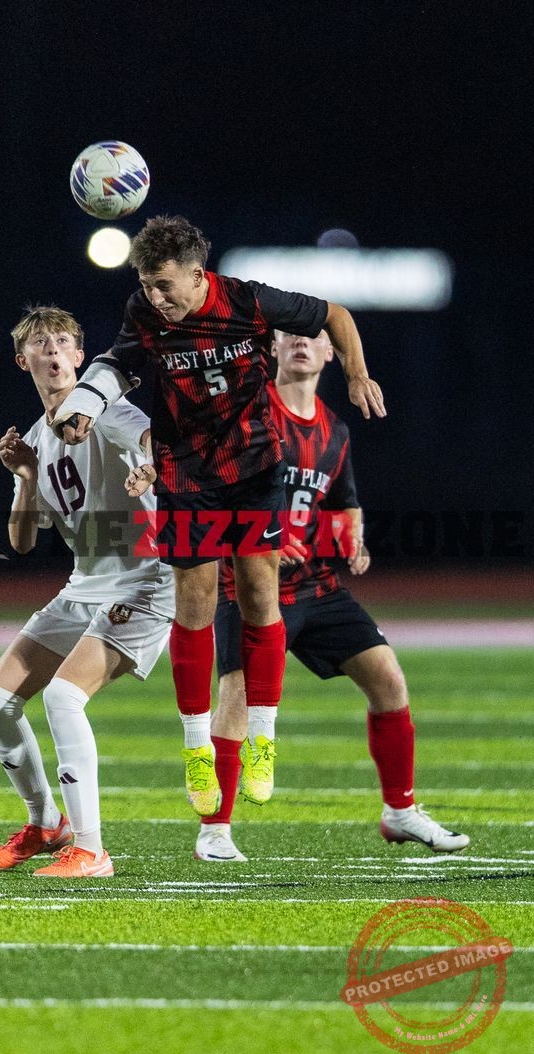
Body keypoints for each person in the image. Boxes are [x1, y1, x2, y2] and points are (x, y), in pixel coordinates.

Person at [52, 215, 386, 819]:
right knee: (196, 606)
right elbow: (118, 362)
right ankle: (196, 747)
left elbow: (335, 314)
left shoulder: (248, 301)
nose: (156, 297)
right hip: (185, 476)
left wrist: (358, 373)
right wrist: (85, 403)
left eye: (164, 284)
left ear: (197, 274)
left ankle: (263, 735)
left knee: (260, 596)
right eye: (147, 285)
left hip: (255, 469)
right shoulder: (145, 310)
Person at [195, 329, 469, 861]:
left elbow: (343, 500)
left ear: (329, 353)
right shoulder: (249, 416)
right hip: (249, 586)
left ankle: (400, 811)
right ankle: (215, 830)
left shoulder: (334, 430)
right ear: (272, 348)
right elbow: (208, 494)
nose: (301, 343)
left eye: (314, 337)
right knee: (236, 700)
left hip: (316, 586)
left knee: (388, 678)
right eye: (290, 335)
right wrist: (261, 536)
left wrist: (352, 536)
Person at [0, 305, 174, 878]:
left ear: (81, 357)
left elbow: (155, 441)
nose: (55, 351)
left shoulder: (104, 411)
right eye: (42, 344)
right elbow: (21, 542)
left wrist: (151, 468)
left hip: (146, 581)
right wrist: (26, 478)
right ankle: (46, 824)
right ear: (24, 361)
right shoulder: (37, 437)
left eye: (64, 341)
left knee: (63, 698)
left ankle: (91, 850)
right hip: (85, 584)